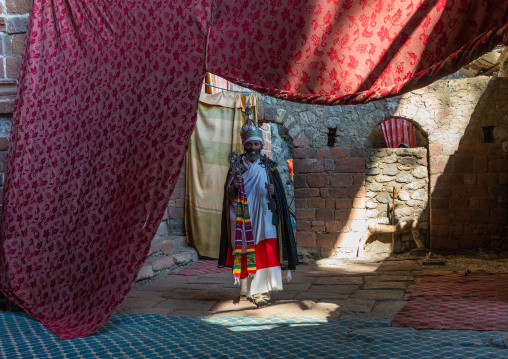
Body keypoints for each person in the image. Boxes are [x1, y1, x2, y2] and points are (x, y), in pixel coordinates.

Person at [218, 108, 298, 308]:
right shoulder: (236, 166)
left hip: (265, 214)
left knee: (266, 249)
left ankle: (262, 291)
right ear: (245, 145)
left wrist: (273, 192)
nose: (253, 148)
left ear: (262, 145)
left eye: (256, 144)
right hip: (242, 215)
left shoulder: (269, 166)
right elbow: (228, 195)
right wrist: (235, 186)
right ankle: (245, 289)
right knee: (245, 249)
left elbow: (279, 195)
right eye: (249, 144)